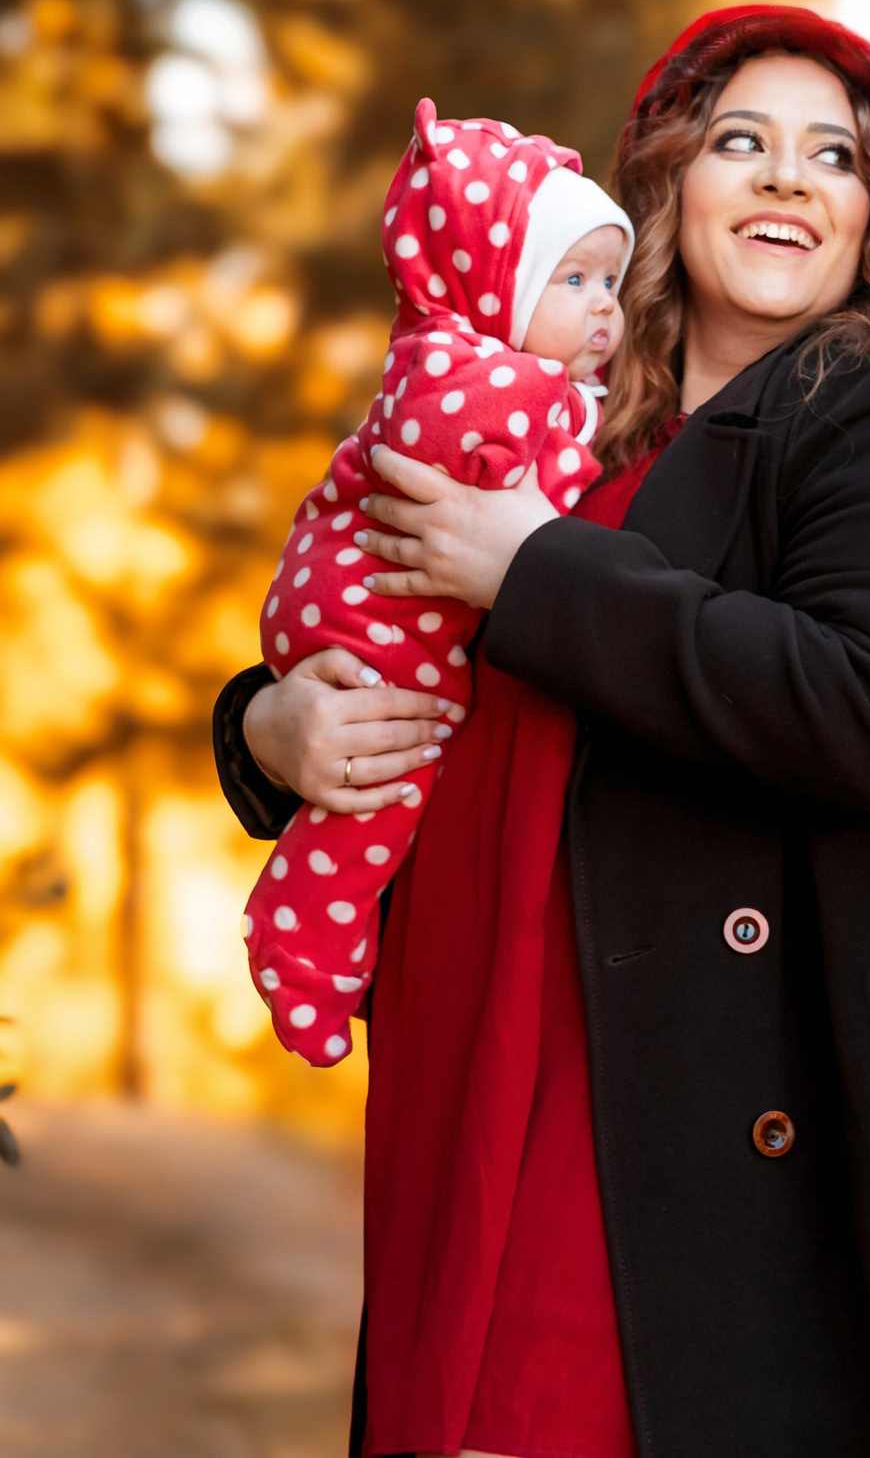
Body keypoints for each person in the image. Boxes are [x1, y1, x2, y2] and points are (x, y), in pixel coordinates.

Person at [211, 6, 870, 1458]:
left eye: (832, 156)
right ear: (667, 186)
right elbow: (363, 622)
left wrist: (534, 573)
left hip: (699, 1102)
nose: (790, 179)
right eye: (744, 143)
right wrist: (267, 727)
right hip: (484, 1050)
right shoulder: (555, 416)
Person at [243, 96, 631, 1067]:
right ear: (493, 285)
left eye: (612, 281)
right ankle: (302, 951)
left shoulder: (483, 367)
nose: (604, 308)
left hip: (373, 605)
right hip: (369, 616)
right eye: (573, 278)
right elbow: (520, 473)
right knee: (383, 784)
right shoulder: (461, 378)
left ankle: (315, 947)